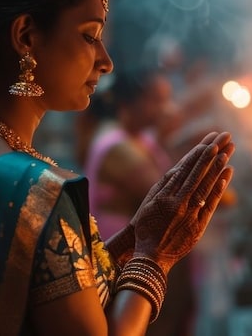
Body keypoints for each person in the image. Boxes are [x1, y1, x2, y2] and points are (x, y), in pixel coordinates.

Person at [0, 0, 235, 336]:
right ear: (26, 37)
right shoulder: (30, 188)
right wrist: (155, 256)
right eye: (89, 35)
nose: (106, 62)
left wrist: (136, 235)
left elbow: (50, 297)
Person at [84, 66, 196, 336]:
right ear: (128, 103)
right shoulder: (116, 145)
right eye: (156, 100)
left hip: (140, 250)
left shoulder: (141, 138)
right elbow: (166, 197)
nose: (165, 108)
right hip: (123, 257)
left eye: (166, 99)